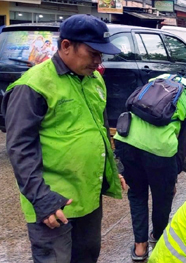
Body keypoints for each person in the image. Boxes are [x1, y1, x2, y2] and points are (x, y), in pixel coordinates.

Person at [1, 14, 126, 263]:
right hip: (53, 204)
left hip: (89, 197)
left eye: (101, 55)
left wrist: (111, 168)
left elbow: (99, 128)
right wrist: (42, 199)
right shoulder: (34, 86)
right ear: (66, 46)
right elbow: (20, 148)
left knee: (87, 256)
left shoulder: (94, 79)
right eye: (93, 53)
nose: (98, 61)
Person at [113, 68, 186, 261]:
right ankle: (157, 238)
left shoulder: (163, 77)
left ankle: (140, 249)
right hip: (159, 152)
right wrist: (173, 177)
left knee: (137, 194)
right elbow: (182, 146)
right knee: (162, 197)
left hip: (127, 141)